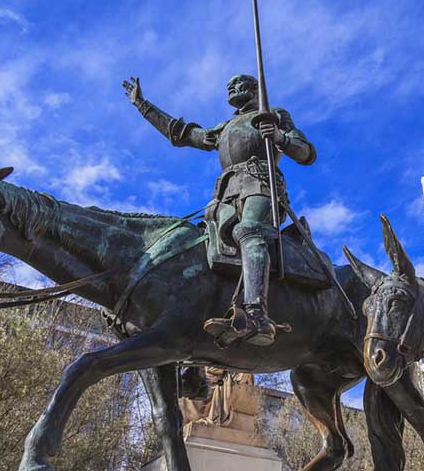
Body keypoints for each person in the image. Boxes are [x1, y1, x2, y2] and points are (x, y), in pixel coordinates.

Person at [122, 74, 316, 346]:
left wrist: (280, 137)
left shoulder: (274, 114)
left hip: (260, 183)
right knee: (198, 246)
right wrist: (143, 105)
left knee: (250, 231)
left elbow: (306, 153)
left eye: (239, 84)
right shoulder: (225, 126)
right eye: (229, 85)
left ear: (255, 89)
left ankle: (257, 315)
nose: (232, 88)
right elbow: (183, 134)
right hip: (226, 192)